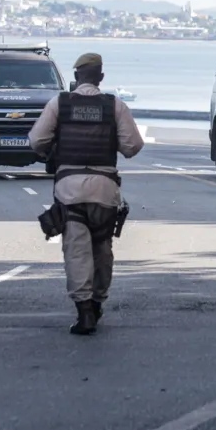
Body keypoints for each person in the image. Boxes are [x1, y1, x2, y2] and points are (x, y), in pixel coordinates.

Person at [28, 53, 144, 336]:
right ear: (101, 78)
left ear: (76, 77)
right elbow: (133, 146)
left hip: (70, 190)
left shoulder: (60, 103)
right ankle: (97, 301)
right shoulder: (114, 106)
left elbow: (36, 141)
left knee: (77, 252)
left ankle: (85, 313)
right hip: (105, 190)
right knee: (102, 248)